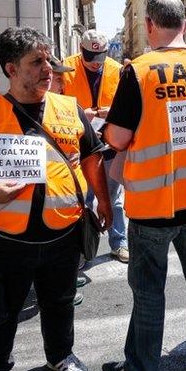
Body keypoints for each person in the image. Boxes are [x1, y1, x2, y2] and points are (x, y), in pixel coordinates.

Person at [0, 27, 112, 371]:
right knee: (3, 308)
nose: (48, 68)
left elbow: (93, 156)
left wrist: (105, 204)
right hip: (6, 240)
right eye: (36, 62)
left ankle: (61, 357)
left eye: (49, 60)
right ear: (11, 69)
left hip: (64, 234)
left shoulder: (70, 108)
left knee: (60, 302)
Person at [104, 0, 186, 371]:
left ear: (149, 25)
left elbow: (117, 138)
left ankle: (142, 366)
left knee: (148, 290)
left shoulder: (138, 70)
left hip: (152, 203)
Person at [62, 30, 129, 263]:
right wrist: (81, 114)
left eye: (99, 56)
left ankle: (119, 243)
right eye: (90, 57)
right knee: (83, 200)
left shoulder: (117, 69)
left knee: (113, 198)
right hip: (78, 146)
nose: (95, 63)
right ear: (81, 50)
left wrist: (112, 112)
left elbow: (127, 105)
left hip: (108, 143)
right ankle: (83, 248)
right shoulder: (66, 68)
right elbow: (54, 102)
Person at [49, 55, 89, 306]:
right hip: (46, 202)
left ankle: (67, 279)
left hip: (69, 200)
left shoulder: (68, 107)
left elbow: (89, 152)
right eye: (58, 77)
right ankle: (59, 288)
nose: (63, 82)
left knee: (66, 248)